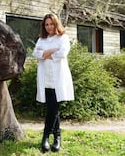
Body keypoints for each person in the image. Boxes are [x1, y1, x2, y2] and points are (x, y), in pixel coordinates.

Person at [32, 13, 74, 152]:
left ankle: (45, 137)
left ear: (56, 24)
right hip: (45, 78)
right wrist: (50, 52)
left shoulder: (63, 37)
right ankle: (57, 137)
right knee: (52, 108)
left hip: (58, 78)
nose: (49, 27)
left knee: (53, 108)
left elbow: (62, 53)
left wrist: (46, 53)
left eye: (51, 24)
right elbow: (36, 54)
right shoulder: (41, 39)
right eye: (46, 24)